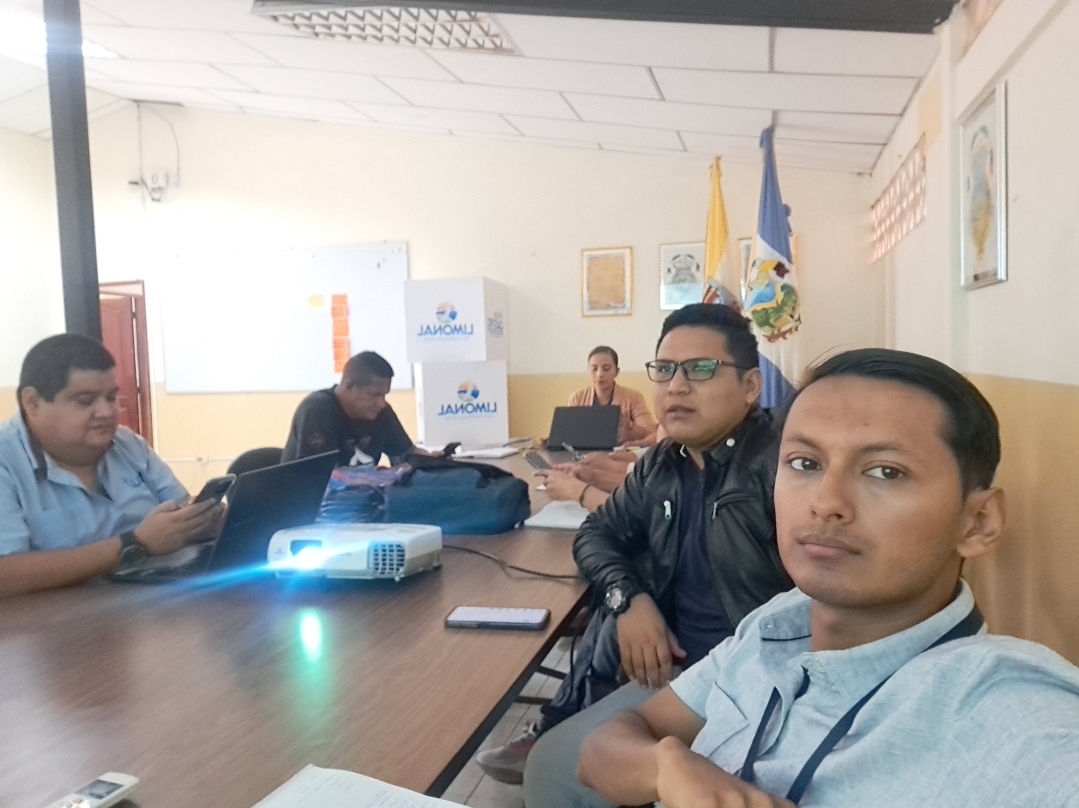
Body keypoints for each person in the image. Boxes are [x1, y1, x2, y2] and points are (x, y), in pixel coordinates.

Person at [574, 349, 1079, 808]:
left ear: (978, 523)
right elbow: (603, 748)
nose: (826, 502)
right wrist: (667, 767)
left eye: (885, 472)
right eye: (805, 463)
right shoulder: (780, 623)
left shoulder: (1008, 715)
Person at [477, 304, 793, 786]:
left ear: (750, 386)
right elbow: (596, 533)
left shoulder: (784, 467)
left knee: (556, 775)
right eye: (664, 370)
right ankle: (564, 723)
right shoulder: (664, 462)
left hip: (748, 679)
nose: (677, 386)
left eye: (700, 369)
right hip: (671, 664)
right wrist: (628, 600)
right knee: (562, 760)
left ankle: (565, 732)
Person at [0, 334, 222, 597]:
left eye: (112, 397)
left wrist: (203, 521)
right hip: (64, 616)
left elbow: (180, 512)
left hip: (160, 598)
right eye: (85, 401)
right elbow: (6, 576)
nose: (106, 412)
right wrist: (135, 544)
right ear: (32, 403)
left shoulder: (129, 444)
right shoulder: (6, 461)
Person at [282, 351, 415, 466]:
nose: (381, 403)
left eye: (384, 395)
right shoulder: (317, 411)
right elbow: (319, 475)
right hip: (311, 489)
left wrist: (424, 462)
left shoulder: (380, 412)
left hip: (364, 488)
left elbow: (406, 454)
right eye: (375, 395)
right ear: (348, 386)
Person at [568, 346, 657, 447]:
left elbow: (653, 434)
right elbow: (569, 436)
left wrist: (632, 433)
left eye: (606, 369)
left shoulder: (633, 397)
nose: (599, 374)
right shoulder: (577, 398)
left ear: (616, 372)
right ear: (588, 371)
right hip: (585, 454)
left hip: (621, 453)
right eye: (594, 369)